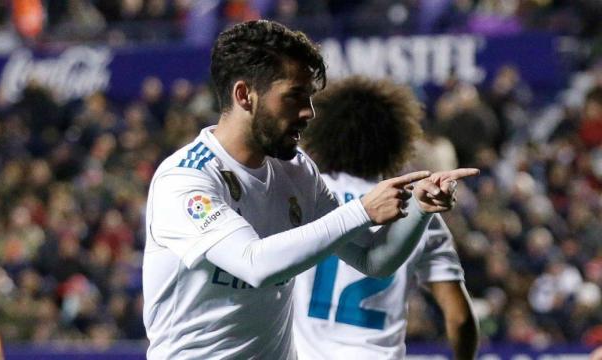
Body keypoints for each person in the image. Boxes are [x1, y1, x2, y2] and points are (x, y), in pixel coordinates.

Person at [142, 20, 478, 359]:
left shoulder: (297, 170)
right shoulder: (186, 180)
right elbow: (254, 264)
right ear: (244, 95)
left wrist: (419, 208)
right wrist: (361, 210)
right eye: (294, 97)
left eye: (310, 97)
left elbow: (373, 259)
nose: (309, 112)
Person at [294, 76, 479, 359]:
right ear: (397, 143)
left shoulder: (306, 195)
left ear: (323, 134)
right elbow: (460, 318)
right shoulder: (420, 211)